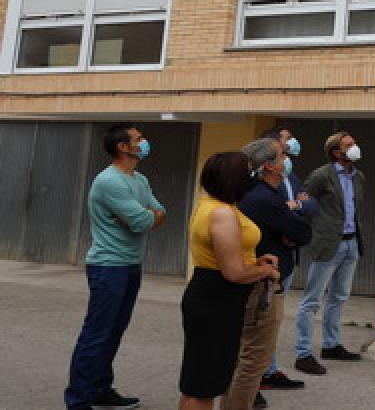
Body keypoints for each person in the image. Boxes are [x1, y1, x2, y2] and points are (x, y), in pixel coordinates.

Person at [65, 124, 166, 410]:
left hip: (131, 265)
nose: (144, 142)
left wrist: (146, 216)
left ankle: (100, 389)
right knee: (97, 333)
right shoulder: (109, 181)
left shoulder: (140, 179)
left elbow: (160, 212)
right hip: (108, 267)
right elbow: (143, 221)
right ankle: (78, 399)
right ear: (123, 147)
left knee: (114, 330)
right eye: (138, 139)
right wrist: (145, 216)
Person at [179, 151, 280, 410]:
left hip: (214, 295)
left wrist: (255, 263)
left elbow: (230, 257)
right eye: (248, 172)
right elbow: (233, 272)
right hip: (216, 299)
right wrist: (265, 272)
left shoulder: (213, 204)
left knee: (200, 380)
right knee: (203, 387)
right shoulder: (222, 213)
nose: (253, 177)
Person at [224, 139, 314, 410]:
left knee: (251, 344)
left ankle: (248, 390)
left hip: (267, 271)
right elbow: (303, 232)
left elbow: (299, 226)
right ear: (268, 166)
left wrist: (291, 229)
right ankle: (246, 394)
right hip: (262, 278)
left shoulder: (261, 193)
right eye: (281, 155)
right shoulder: (263, 197)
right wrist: (290, 230)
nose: (286, 159)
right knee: (254, 347)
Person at [293, 132, 366, 375]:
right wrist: (310, 232)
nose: (355, 147)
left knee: (339, 297)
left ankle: (331, 345)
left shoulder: (358, 177)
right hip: (327, 244)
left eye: (354, 143)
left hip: (351, 243)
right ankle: (303, 353)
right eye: (349, 144)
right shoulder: (322, 175)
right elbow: (303, 202)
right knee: (312, 300)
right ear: (337, 152)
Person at [257, 127, 319, 393]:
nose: (292, 144)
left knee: (274, 318)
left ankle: (268, 371)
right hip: (270, 258)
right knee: (263, 320)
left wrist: (296, 209)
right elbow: (272, 215)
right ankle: (261, 375)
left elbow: (311, 206)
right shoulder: (259, 184)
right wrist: (291, 214)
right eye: (285, 142)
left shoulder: (291, 178)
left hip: (288, 255)